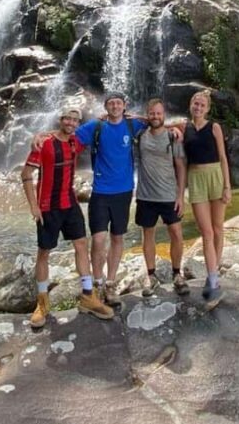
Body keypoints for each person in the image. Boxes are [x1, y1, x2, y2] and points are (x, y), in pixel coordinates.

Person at [21, 108, 114, 326]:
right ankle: (42, 303)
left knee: (82, 244)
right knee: (44, 252)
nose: (71, 123)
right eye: (67, 119)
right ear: (61, 120)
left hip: (70, 203)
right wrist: (33, 207)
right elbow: (26, 175)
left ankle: (88, 296)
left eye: (75, 120)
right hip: (47, 207)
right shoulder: (43, 143)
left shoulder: (75, 143)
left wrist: (104, 117)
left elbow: (99, 127)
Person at [73, 91, 147, 306]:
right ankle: (97, 282)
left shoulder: (133, 125)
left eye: (118, 103)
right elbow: (69, 136)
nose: (115, 107)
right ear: (106, 107)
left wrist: (177, 131)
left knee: (117, 237)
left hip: (123, 192)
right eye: (111, 104)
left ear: (124, 106)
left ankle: (111, 282)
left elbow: (155, 121)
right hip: (100, 192)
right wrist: (43, 136)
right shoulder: (96, 127)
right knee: (98, 239)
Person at [181, 89, 231, 309]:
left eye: (202, 105)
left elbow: (222, 157)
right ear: (191, 106)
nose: (198, 107)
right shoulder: (184, 128)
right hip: (196, 178)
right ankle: (212, 277)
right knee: (207, 231)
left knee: (218, 228)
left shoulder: (215, 128)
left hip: (216, 176)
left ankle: (213, 275)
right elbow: (157, 122)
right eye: (195, 104)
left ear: (207, 108)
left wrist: (227, 186)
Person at [135, 98, 190, 297]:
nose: (155, 116)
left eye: (158, 113)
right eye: (152, 113)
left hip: (168, 194)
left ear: (163, 114)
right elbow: (122, 118)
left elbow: (181, 166)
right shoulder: (140, 135)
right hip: (145, 195)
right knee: (147, 234)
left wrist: (180, 196)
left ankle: (177, 273)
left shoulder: (172, 137)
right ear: (147, 115)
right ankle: (151, 275)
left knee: (176, 233)